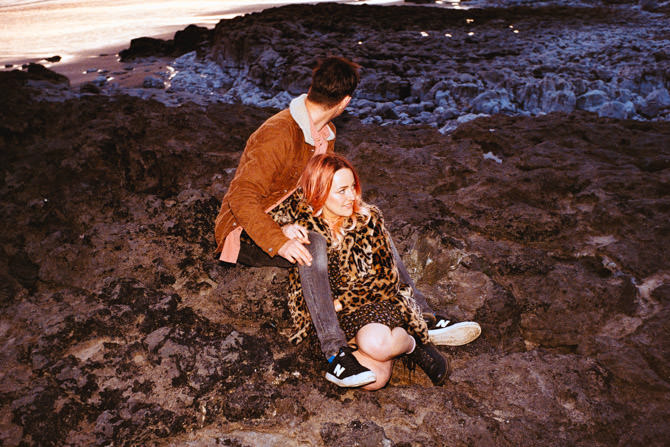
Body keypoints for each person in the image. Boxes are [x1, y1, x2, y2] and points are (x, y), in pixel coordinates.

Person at [214, 56, 480, 388]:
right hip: (245, 232)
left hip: (293, 219)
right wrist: (279, 237)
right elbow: (241, 198)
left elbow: (315, 192)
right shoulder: (276, 133)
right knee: (316, 242)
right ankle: (335, 353)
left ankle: (421, 317)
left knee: (368, 219)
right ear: (345, 102)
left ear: (312, 87)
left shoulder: (326, 133)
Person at [274, 153, 450, 389]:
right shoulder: (301, 221)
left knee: (376, 343)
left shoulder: (368, 220)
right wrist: (281, 231)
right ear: (319, 192)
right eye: (342, 191)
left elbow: (387, 280)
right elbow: (250, 219)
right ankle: (377, 347)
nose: (352, 196)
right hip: (334, 321)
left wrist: (342, 302)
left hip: (374, 304)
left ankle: (412, 344)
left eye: (353, 187)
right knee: (374, 381)